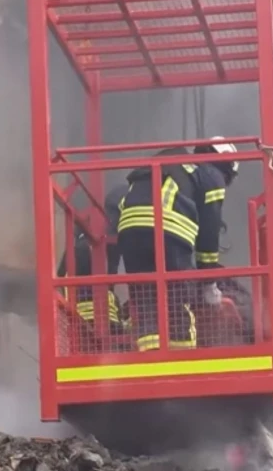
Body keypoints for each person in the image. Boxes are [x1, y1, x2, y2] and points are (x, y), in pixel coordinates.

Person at [117, 136, 239, 352]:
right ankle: (181, 359)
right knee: (178, 300)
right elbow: (209, 232)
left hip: (129, 231)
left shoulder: (174, 163)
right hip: (168, 230)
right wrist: (208, 280)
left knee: (145, 303)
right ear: (226, 163)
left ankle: (151, 361)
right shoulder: (212, 174)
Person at [57, 184, 130, 331]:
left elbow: (60, 277)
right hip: (105, 320)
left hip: (82, 321)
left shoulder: (76, 249)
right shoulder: (105, 246)